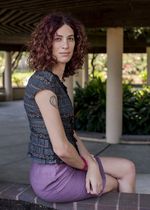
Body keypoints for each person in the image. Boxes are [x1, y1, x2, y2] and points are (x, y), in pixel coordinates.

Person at [24, 13, 136, 203]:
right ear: (46, 43)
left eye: (70, 39)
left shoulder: (56, 81)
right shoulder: (44, 85)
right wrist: (88, 166)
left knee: (128, 168)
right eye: (57, 39)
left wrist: (90, 160)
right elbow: (61, 148)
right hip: (53, 176)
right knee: (111, 182)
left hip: (65, 165)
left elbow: (71, 133)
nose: (65, 45)